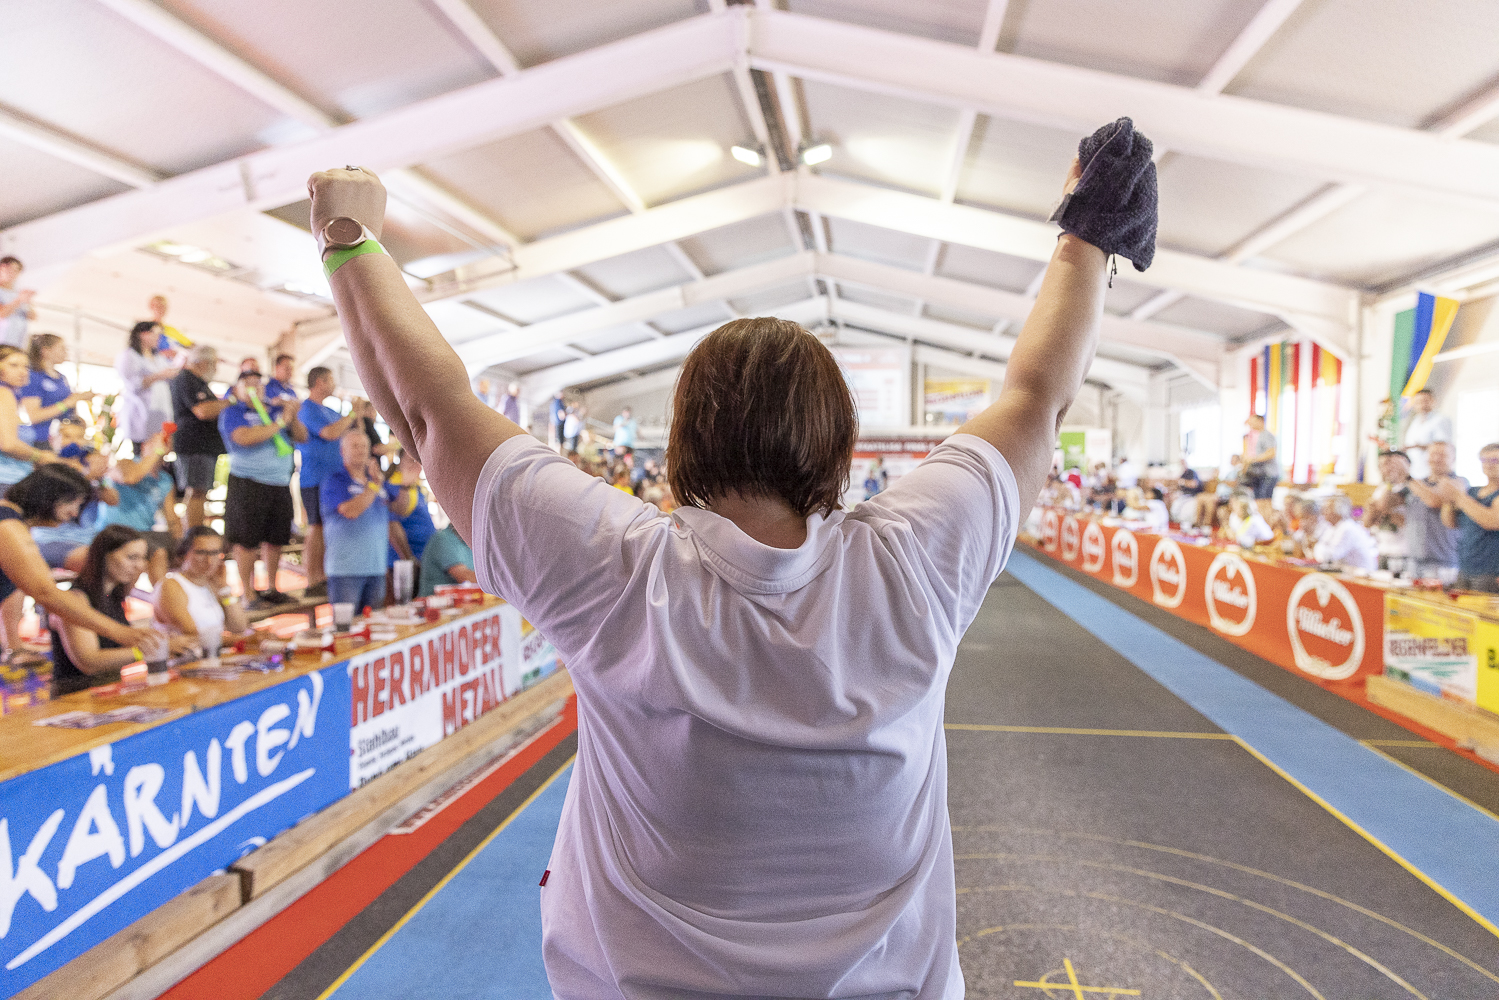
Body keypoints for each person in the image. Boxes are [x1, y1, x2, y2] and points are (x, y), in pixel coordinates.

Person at [310, 151, 1110, 997]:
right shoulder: (911, 565)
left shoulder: (614, 569)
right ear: (841, 451)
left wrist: (349, 243)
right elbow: (1037, 397)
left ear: (678, 447)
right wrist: (1087, 238)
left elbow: (427, 412)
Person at [0, 465, 157, 666]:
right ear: (51, 497)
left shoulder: (12, 521)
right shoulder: (8, 525)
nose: (75, 513)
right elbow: (45, 593)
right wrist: (121, 633)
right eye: (74, 503)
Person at [50, 525, 198, 696]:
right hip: (75, 698)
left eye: (143, 558)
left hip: (108, 693)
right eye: (132, 557)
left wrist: (160, 641)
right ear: (103, 556)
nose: (140, 566)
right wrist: (150, 649)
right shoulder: (76, 599)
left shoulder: (113, 597)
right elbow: (89, 662)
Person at [219, 369, 308, 609]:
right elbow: (244, 438)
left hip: (279, 482)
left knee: (276, 538)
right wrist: (280, 422)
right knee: (246, 541)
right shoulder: (233, 412)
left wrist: (293, 416)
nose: (253, 387)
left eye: (258, 383)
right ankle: (247, 593)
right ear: (236, 388)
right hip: (248, 481)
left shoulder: (276, 409)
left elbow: (301, 437)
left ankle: (271, 587)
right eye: (247, 383)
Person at [296, 366, 366, 597]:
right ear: (319, 382)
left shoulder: (329, 410)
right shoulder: (306, 409)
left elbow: (354, 433)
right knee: (316, 526)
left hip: (334, 479)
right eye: (330, 380)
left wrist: (356, 415)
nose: (334, 385)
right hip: (315, 477)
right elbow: (329, 433)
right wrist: (351, 415)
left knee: (329, 528)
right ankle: (313, 579)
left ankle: (324, 575)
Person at [93, 426, 180, 585]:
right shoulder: (125, 463)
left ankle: (170, 600)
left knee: (183, 551)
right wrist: (156, 452)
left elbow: (172, 517)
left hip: (144, 533)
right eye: (158, 441)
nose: (164, 444)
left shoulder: (165, 480)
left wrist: (183, 546)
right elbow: (131, 477)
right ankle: (162, 602)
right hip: (115, 531)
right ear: (145, 445)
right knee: (155, 553)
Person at [320, 429, 390, 612]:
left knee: (374, 632)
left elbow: (398, 511)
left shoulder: (377, 482)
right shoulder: (334, 480)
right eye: (355, 446)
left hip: (376, 569)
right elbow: (350, 511)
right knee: (346, 632)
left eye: (364, 446)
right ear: (342, 451)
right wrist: (374, 486)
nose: (360, 450)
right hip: (345, 572)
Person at [153, 526, 249, 648]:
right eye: (201, 553)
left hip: (213, 656)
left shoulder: (213, 584)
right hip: (184, 660)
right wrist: (245, 640)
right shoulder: (170, 586)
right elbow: (193, 635)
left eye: (215, 553)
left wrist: (225, 589)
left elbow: (239, 627)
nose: (209, 561)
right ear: (185, 553)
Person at [171, 345, 230, 529]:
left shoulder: (197, 382)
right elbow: (202, 411)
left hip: (203, 448)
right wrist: (230, 402)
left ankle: (193, 532)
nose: (216, 369)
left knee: (199, 492)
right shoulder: (186, 378)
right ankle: (193, 535)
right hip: (194, 447)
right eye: (214, 364)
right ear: (204, 362)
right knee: (196, 491)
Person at [0, 345, 68, 493]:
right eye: (13, 365)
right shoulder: (4, 393)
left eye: (26, 366)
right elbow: (8, 444)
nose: (22, 371)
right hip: (7, 482)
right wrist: (39, 455)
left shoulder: (13, 396)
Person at [1440, 443, 1499, 593]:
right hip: (1465, 567)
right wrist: (1449, 499)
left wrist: (1459, 497)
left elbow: (1492, 521)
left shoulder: (1468, 497)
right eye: (1484, 460)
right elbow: (1450, 522)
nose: (1489, 465)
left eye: (1495, 460)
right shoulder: (1472, 492)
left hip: (1491, 571)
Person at [19, 334, 95, 449]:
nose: (65, 353)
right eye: (62, 348)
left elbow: (66, 407)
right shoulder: (33, 377)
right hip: (40, 439)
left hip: (63, 438)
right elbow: (33, 416)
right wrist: (67, 403)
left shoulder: (61, 378)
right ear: (46, 351)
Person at [116, 321, 177, 453]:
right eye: (155, 334)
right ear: (143, 335)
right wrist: (158, 376)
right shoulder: (129, 356)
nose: (158, 338)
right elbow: (132, 384)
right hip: (140, 412)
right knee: (142, 452)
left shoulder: (158, 357)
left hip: (158, 413)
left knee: (157, 452)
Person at [1404, 440, 1461, 579]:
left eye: (1442, 455)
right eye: (1433, 454)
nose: (1436, 459)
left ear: (1453, 458)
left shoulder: (1459, 482)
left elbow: (1434, 500)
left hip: (1442, 563)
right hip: (1413, 561)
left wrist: (1406, 476)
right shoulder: (1416, 484)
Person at [1364, 451, 1411, 573]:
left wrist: (1378, 509)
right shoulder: (1381, 488)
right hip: (1383, 550)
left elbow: (1384, 505)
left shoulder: (1410, 488)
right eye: (1381, 465)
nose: (1386, 469)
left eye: (1390, 464)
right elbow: (1368, 521)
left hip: (1403, 552)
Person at [386, 453, 435, 569]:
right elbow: (396, 517)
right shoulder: (392, 485)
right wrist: (408, 558)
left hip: (424, 556)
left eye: (418, 461)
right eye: (411, 460)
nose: (415, 465)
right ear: (400, 461)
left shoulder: (417, 487)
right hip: (403, 562)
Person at [1312, 494, 1378, 571]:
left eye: (1328, 509)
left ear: (1338, 510)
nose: (1324, 512)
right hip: (1348, 573)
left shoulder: (1347, 528)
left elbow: (1330, 556)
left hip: (1362, 576)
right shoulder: (1332, 527)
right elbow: (1320, 552)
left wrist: (1318, 548)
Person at [1400, 389, 1452, 481]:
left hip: (1433, 473)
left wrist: (1417, 446)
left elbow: (1443, 447)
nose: (1422, 405)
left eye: (1425, 401)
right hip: (1415, 471)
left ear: (1433, 402)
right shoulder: (1415, 422)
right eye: (1418, 402)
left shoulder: (1440, 420)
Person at [418, 523, 477, 595]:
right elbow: (466, 577)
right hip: (434, 603)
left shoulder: (470, 541)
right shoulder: (443, 538)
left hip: (458, 602)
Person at [1241, 414, 1279, 519]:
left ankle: (1268, 526)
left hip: (1269, 473)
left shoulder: (1267, 435)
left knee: (1264, 501)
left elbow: (1271, 453)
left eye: (1253, 422)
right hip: (1258, 474)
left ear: (1260, 421)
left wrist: (1253, 459)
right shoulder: (1254, 436)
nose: (1251, 424)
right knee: (1258, 501)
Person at [0, 256, 36, 350]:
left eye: (16, 271)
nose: (12, 274)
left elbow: (33, 317)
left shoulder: (18, 294)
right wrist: (19, 300)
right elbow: (2, 314)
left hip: (17, 343)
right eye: (9, 270)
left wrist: (28, 303)